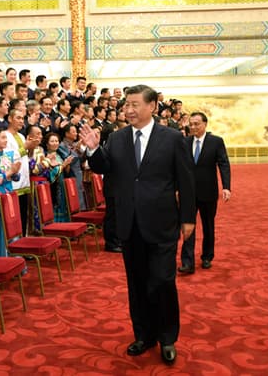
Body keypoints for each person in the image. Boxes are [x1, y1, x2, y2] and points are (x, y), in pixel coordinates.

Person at [79, 84, 195, 365]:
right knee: (137, 283)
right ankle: (143, 335)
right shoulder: (117, 138)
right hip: (130, 224)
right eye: (126, 105)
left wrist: (188, 218)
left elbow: (186, 180)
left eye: (134, 104)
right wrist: (94, 150)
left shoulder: (172, 138)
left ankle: (167, 337)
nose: (128, 110)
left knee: (163, 282)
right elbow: (104, 167)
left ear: (152, 106)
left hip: (163, 223)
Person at [178, 112, 231, 274]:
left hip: (208, 192)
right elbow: (178, 167)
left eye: (196, 124)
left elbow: (223, 164)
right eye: (191, 124)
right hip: (188, 193)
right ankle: (187, 262)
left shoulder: (216, 142)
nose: (193, 127)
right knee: (188, 226)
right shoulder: (184, 142)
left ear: (205, 124)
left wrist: (226, 186)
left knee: (208, 226)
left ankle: (207, 256)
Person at [0, 127, 21, 257]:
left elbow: (15, 178)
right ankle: (0, 261)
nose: (5, 140)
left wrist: (16, 173)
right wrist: (11, 172)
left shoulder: (8, 155)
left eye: (6, 137)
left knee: (11, 229)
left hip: (9, 195)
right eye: (2, 137)